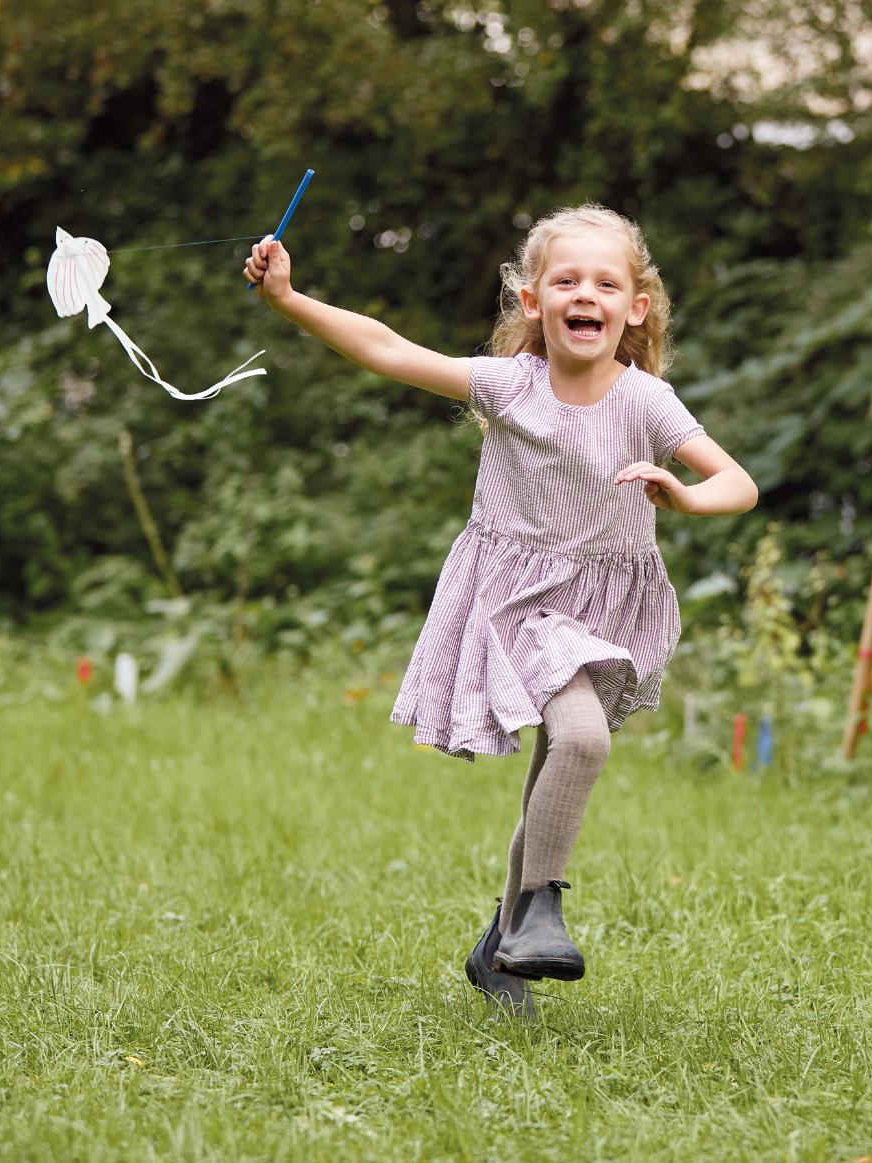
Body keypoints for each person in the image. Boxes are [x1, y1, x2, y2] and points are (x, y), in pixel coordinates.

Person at [243, 205, 757, 1016]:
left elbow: (738, 481)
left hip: (606, 604)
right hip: (518, 601)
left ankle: (499, 948)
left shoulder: (647, 400)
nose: (585, 294)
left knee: (556, 767)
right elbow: (387, 348)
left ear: (635, 308)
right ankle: (537, 908)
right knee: (583, 740)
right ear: (532, 302)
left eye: (605, 283)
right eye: (566, 280)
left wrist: (686, 496)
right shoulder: (512, 385)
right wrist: (290, 301)